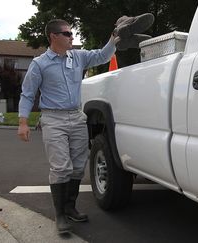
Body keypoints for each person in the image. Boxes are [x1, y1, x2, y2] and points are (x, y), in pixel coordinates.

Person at [17, 19, 116, 234]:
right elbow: (27, 94)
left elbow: (102, 55)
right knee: (61, 167)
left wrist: (114, 38)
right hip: (53, 120)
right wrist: (23, 122)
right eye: (67, 33)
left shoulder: (78, 57)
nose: (72, 37)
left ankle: (70, 207)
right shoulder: (39, 64)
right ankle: (60, 214)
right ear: (53, 36)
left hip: (77, 117)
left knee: (78, 166)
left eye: (72, 33)